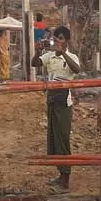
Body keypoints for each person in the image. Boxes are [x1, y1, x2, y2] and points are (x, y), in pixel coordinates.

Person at [31, 26, 82, 191]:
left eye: (60, 38)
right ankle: (61, 174)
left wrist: (64, 53)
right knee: (54, 139)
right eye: (56, 38)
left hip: (63, 102)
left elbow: (77, 69)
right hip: (51, 99)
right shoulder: (50, 56)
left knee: (63, 139)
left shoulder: (71, 57)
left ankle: (66, 177)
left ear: (66, 41)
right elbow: (34, 63)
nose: (57, 41)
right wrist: (37, 51)